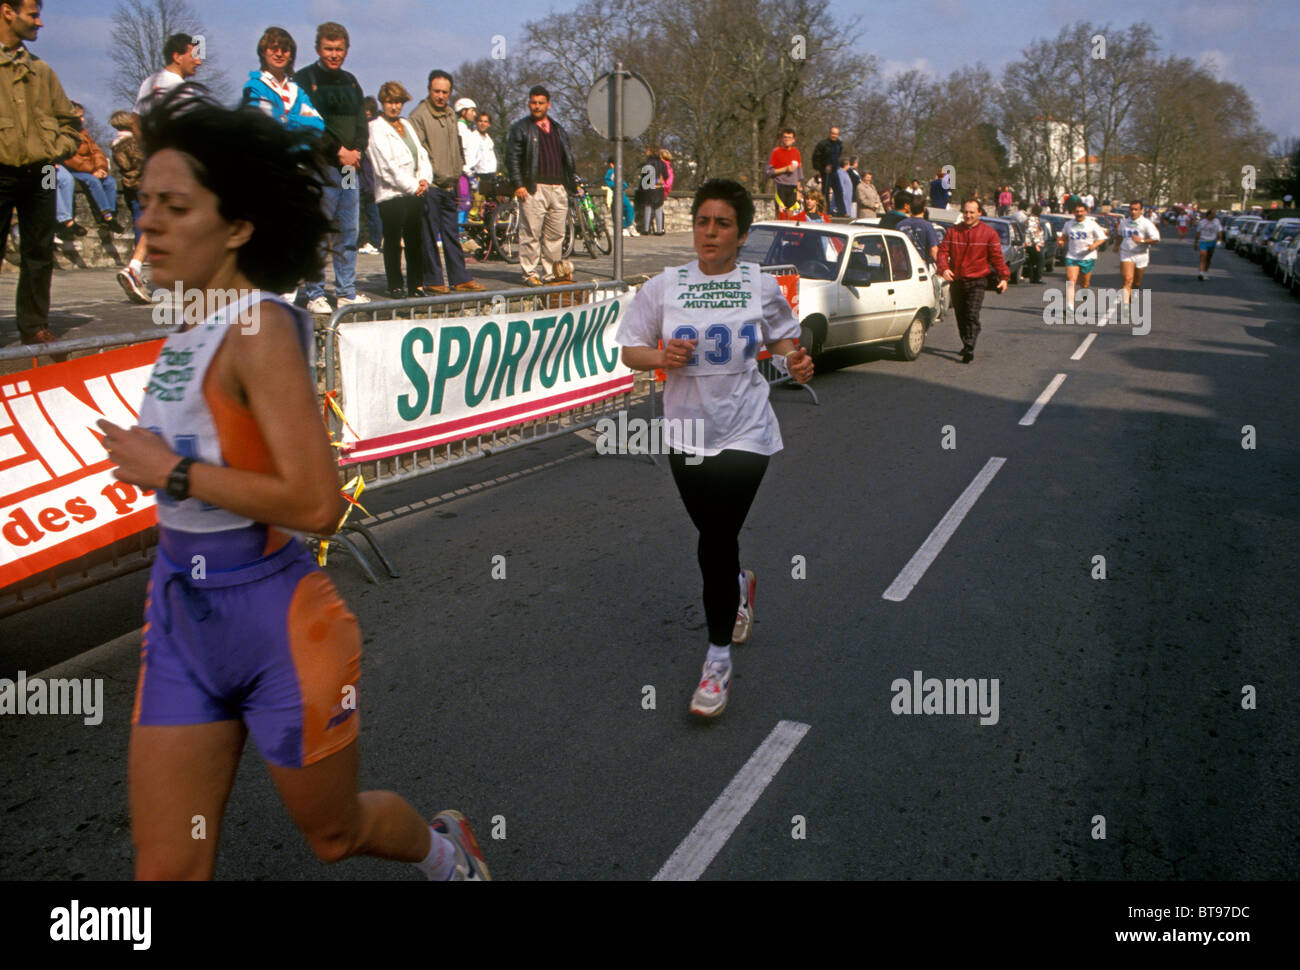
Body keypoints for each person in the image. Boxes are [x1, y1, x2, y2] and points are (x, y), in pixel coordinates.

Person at [96, 90, 488, 882]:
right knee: (166, 868)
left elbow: (317, 504)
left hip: (276, 627)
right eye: (145, 203)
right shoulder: (186, 330)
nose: (149, 224)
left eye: (176, 206)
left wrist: (171, 471)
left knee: (336, 833)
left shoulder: (261, 326)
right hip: (181, 618)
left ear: (238, 227)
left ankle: (447, 853)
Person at [615, 178, 814, 717]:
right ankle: (740, 586)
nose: (709, 232)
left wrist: (794, 360)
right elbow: (631, 350)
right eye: (703, 221)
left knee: (716, 540)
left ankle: (718, 660)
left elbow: (783, 340)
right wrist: (661, 358)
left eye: (722, 224)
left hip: (747, 428)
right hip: (687, 432)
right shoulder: (664, 286)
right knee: (714, 535)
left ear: (742, 235)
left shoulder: (760, 286)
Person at [0, 0, 80, 350]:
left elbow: (71, 122)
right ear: (7, 11)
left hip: (44, 171)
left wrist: (55, 150)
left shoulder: (42, 71)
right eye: (32, 15)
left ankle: (34, 326)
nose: (39, 23)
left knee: (40, 249)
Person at [293, 22, 371, 312]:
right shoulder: (305, 79)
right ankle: (315, 293)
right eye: (328, 49)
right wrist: (337, 151)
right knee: (319, 232)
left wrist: (357, 150)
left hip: (349, 169)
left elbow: (361, 123)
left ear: (346, 50)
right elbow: (308, 123)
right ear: (318, 49)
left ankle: (346, 291)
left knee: (348, 230)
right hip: (322, 167)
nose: (334, 54)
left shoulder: (351, 82)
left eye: (339, 49)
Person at [119, 32, 201, 304]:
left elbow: (135, 121)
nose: (198, 61)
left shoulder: (150, 82)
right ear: (177, 56)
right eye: (193, 55)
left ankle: (139, 268)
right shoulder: (182, 89)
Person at [408, 70, 484, 294]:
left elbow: (456, 147)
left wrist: (459, 170)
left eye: (445, 92)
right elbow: (416, 152)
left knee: (452, 233)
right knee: (429, 235)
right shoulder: (419, 116)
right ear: (429, 90)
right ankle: (433, 279)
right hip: (431, 185)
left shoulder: (451, 113)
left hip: (450, 184)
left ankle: (459, 278)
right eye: (437, 91)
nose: (441, 96)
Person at [505, 84, 577, 286]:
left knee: (555, 235)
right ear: (529, 104)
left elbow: (567, 158)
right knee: (530, 234)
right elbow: (512, 158)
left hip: (558, 188)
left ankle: (551, 273)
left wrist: (569, 184)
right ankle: (530, 273)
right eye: (533, 103)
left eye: (541, 103)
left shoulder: (558, 129)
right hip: (533, 188)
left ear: (548, 105)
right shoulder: (521, 128)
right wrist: (518, 184)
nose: (537, 106)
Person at [367, 81, 430, 298]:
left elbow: (421, 154)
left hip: (414, 192)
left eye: (398, 102)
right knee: (393, 240)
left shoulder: (406, 124)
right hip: (392, 194)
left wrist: (424, 179)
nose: (394, 107)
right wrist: (412, 186)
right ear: (382, 103)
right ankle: (395, 284)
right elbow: (385, 167)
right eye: (389, 102)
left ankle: (416, 285)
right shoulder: (375, 128)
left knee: (415, 240)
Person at [937, 198, 1009, 363]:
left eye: (972, 212)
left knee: (972, 313)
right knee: (961, 316)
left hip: (977, 280)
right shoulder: (953, 231)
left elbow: (997, 257)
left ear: (979, 213)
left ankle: (969, 345)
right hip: (957, 280)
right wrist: (944, 268)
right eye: (965, 212)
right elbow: (942, 252)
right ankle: (967, 340)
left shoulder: (989, 233)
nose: (968, 216)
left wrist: (1004, 277)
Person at [63, 102, 121, 228]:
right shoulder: (64, 133)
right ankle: (105, 213)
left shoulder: (84, 132)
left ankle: (110, 215)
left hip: (90, 169)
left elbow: (96, 151)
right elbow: (71, 158)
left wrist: (100, 167)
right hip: (75, 170)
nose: (83, 119)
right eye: (79, 116)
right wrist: (92, 170)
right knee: (92, 181)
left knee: (110, 182)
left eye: (83, 116)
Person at [1057, 201, 1107, 314]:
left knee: (1084, 283)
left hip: (1087, 257)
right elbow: (1064, 236)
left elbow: (1102, 238)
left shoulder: (1092, 224)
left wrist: (1094, 245)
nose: (1079, 213)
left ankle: (1084, 294)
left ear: (1086, 211)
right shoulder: (1068, 224)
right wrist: (1061, 241)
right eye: (1077, 211)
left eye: (1081, 211)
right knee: (1071, 280)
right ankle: (1069, 307)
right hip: (1072, 256)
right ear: (1073, 212)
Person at [110, 109, 145, 248]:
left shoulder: (116, 144)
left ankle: (139, 252)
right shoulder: (132, 143)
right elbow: (140, 163)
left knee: (138, 217)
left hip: (129, 183)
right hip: (142, 183)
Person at [1118, 199, 1159, 306]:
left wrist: (1142, 241)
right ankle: (1125, 308)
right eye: (1131, 209)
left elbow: (1156, 239)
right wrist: (1117, 245)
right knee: (1127, 280)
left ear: (1141, 210)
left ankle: (1133, 292)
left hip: (1141, 255)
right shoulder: (1124, 222)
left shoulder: (1146, 223)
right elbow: (1119, 235)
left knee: (1136, 282)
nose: (1133, 212)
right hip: (1126, 253)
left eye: (1136, 209)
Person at [356, 97, 382, 254]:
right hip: (369, 177)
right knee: (372, 211)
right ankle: (373, 241)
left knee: (367, 211)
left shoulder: (366, 128)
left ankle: (370, 242)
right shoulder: (378, 126)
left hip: (359, 175)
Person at [764, 127, 802, 218]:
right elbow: (768, 171)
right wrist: (785, 169)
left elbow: (799, 173)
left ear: (793, 140)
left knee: (790, 214)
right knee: (780, 214)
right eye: (785, 137)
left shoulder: (796, 152)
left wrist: (799, 190)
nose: (787, 140)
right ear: (781, 138)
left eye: (789, 138)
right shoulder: (776, 152)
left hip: (793, 187)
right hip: (780, 186)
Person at [810, 126, 843, 215]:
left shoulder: (839, 144)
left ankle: (842, 211)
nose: (834, 136)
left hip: (834, 171)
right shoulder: (823, 144)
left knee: (839, 190)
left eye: (836, 134)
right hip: (825, 171)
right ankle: (825, 211)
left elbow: (838, 156)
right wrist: (820, 169)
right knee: (825, 192)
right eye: (833, 134)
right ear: (829, 134)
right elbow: (815, 157)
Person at [604, 157, 636, 236]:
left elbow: (623, 182)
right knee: (623, 209)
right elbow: (608, 181)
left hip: (621, 192)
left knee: (627, 208)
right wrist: (617, 185)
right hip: (616, 192)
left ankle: (628, 226)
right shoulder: (611, 172)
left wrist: (624, 186)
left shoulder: (618, 171)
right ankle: (624, 227)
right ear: (612, 164)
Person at [1193, 209, 1223, 280]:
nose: (1214, 215)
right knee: (1203, 257)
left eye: (1214, 214)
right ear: (1208, 215)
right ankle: (1201, 273)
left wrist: (1220, 239)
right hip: (1203, 241)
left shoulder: (1216, 221)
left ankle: (1205, 272)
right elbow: (1198, 233)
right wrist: (1196, 243)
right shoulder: (1202, 222)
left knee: (1209, 258)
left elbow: (1219, 231)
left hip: (1212, 241)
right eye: (1212, 214)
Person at [1023, 203, 1046, 284]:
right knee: (1040, 260)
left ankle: (1033, 277)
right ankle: (1038, 278)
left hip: (1032, 243)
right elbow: (1033, 232)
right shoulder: (1032, 220)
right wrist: (1036, 244)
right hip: (1033, 244)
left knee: (1032, 261)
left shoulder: (1032, 219)